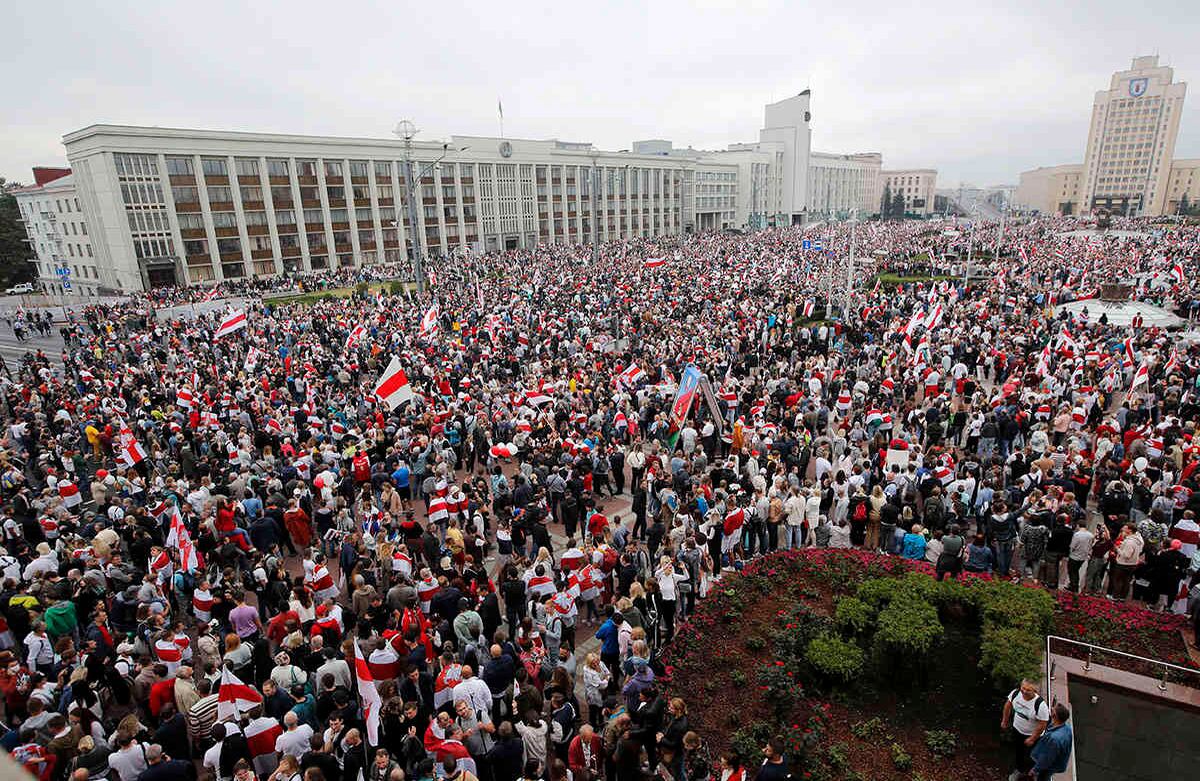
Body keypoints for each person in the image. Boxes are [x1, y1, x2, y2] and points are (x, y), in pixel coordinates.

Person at [1001, 679, 1049, 779]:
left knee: (1033, 755)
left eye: (1028, 690)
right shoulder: (1015, 694)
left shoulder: (1040, 705)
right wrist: (1005, 720)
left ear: (1035, 691)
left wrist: (1032, 738)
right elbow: (1008, 706)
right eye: (1023, 688)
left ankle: (1034, 772)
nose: (1024, 692)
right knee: (1019, 751)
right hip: (1017, 730)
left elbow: (1042, 724)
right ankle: (1019, 770)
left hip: (1033, 735)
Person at [1029, 703, 1073, 781]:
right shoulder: (1067, 729)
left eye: (1052, 710)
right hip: (1057, 764)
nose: (1051, 708)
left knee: (1043, 777)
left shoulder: (1054, 739)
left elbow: (1046, 759)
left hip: (1049, 766)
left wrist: (1034, 770)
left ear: (1054, 715)